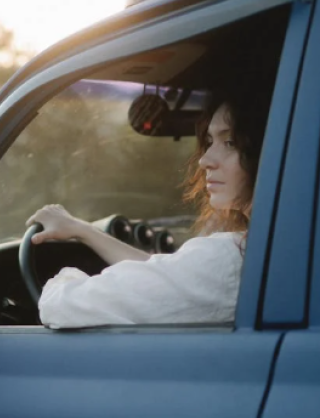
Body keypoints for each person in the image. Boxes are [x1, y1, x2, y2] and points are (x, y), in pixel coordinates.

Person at [26, 93, 266, 328]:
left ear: (267, 152)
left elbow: (63, 306)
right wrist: (82, 230)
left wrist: (62, 281)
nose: (204, 160)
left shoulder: (229, 259)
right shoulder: (259, 253)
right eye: (210, 141)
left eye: (230, 142)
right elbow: (170, 276)